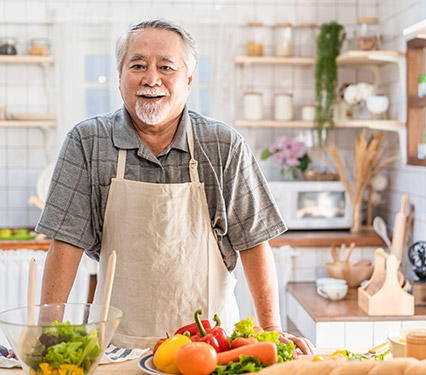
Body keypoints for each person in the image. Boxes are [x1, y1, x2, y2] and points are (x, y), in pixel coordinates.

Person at [36, 18, 314, 355]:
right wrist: (47, 333)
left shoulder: (223, 145)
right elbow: (66, 243)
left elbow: (254, 242)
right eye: (138, 65)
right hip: (117, 348)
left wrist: (272, 331)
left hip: (214, 348)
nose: (151, 79)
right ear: (120, 76)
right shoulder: (87, 142)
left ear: (189, 79)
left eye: (166, 67)